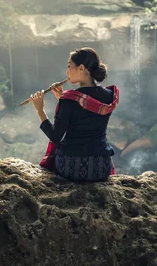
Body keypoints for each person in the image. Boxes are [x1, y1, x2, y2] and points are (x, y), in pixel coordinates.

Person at [30, 47, 120, 182]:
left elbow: (56, 136)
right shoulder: (109, 96)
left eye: (69, 66)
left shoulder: (69, 99)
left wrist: (40, 110)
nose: (67, 71)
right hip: (101, 167)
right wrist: (62, 99)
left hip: (71, 167)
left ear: (82, 68)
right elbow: (85, 113)